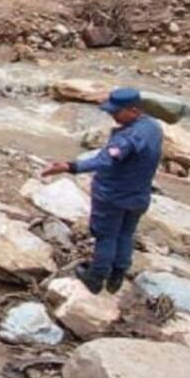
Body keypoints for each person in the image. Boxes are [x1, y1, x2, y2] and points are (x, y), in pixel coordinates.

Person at [40, 87, 162, 295]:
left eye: (116, 111)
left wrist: (70, 166)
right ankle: (117, 277)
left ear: (133, 110)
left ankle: (95, 278)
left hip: (113, 195)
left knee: (106, 236)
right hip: (139, 194)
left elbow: (105, 161)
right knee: (125, 234)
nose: (111, 115)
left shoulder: (127, 139)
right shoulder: (152, 127)